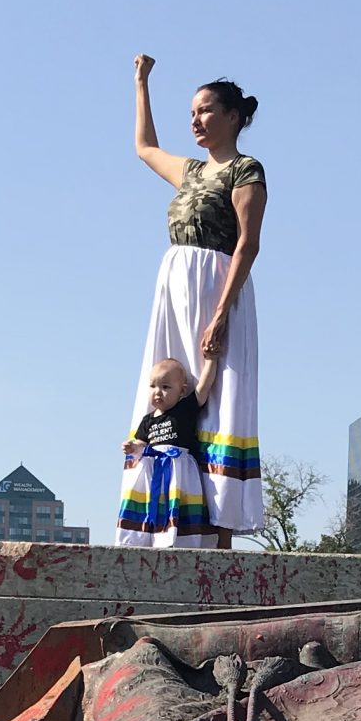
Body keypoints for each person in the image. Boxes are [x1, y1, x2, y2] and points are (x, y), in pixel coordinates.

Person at [131, 56, 266, 545]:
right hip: (175, 286)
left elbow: (247, 243)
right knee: (168, 389)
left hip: (216, 284)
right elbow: (145, 147)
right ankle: (168, 516)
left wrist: (220, 313)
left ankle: (219, 527)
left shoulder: (245, 171)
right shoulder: (189, 171)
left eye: (206, 110)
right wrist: (142, 83)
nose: (195, 120)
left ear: (232, 116)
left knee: (217, 398)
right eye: (191, 112)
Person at [116, 358, 211, 549]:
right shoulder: (147, 420)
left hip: (178, 469)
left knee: (177, 504)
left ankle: (180, 539)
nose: (158, 392)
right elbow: (140, 445)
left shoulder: (184, 409)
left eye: (165, 387)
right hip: (153, 474)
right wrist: (132, 448)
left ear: (182, 391)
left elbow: (203, 388)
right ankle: (145, 537)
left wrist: (211, 361)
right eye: (153, 386)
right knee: (152, 505)